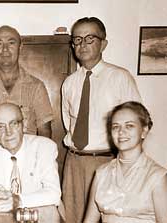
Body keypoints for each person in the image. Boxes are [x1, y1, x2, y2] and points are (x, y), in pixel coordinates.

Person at [61, 17, 142, 223]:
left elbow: (136, 124)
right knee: (73, 218)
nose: (83, 44)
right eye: (77, 40)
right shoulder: (69, 83)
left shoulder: (120, 78)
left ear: (103, 43)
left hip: (108, 161)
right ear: (72, 46)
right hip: (74, 162)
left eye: (90, 38)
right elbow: (68, 123)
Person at [83, 101, 167, 223]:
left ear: (144, 131)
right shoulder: (101, 174)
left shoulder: (157, 176)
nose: (121, 132)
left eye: (129, 126)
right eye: (116, 127)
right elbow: (89, 221)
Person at [0, 103, 60, 214]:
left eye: (14, 124)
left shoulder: (44, 147)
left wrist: (18, 200)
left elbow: (54, 193)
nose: (8, 132)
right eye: (1, 126)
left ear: (23, 125)